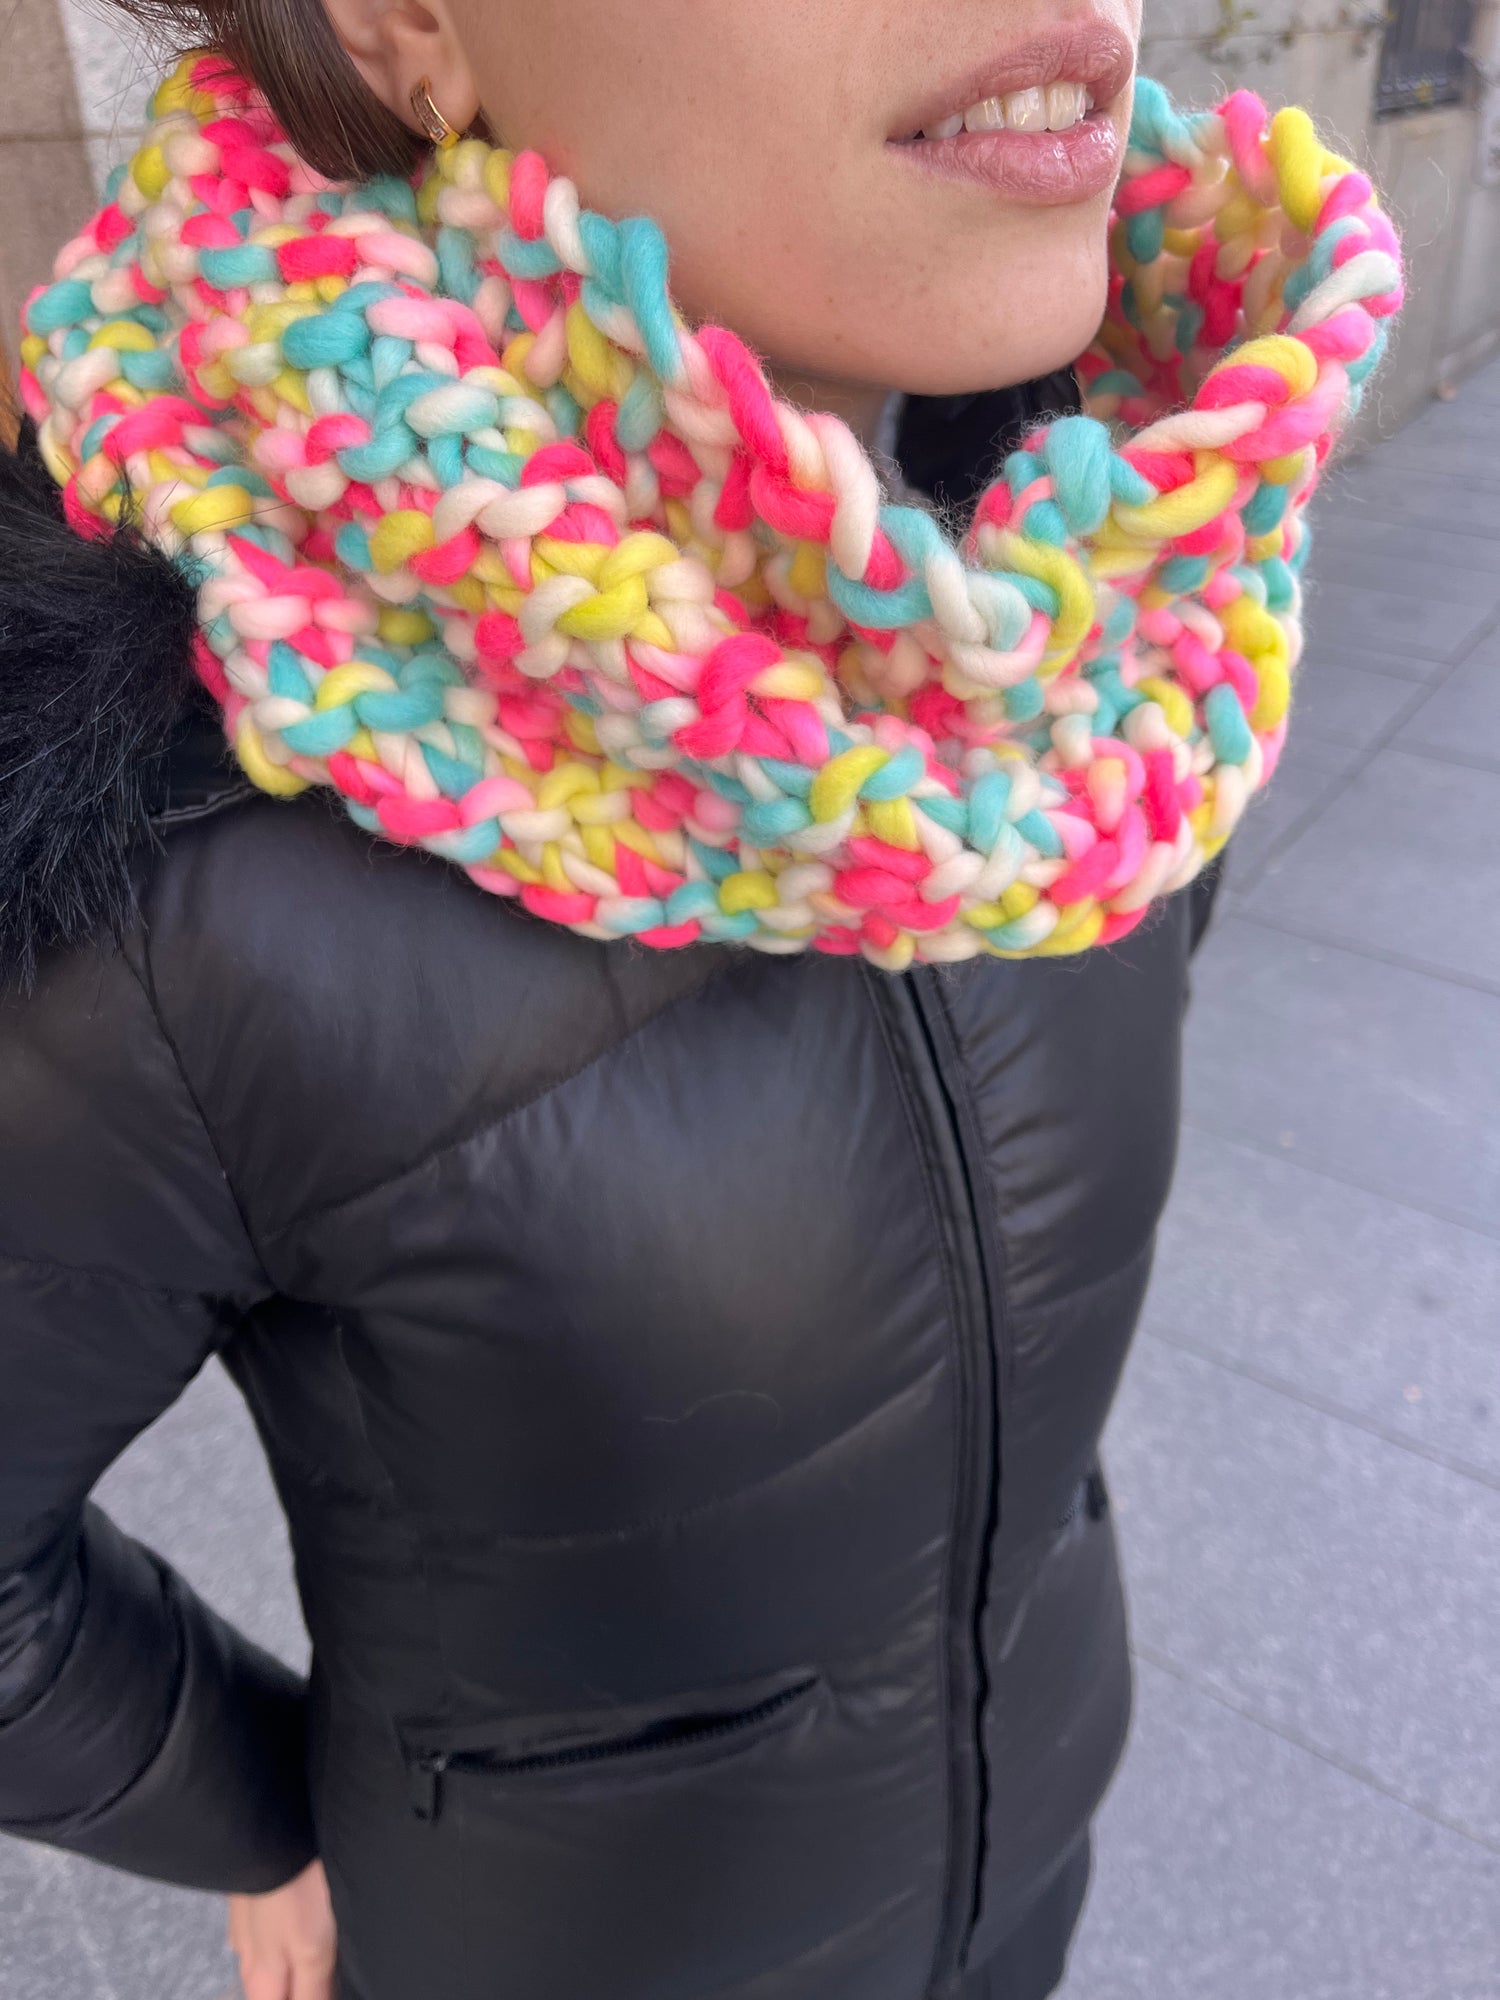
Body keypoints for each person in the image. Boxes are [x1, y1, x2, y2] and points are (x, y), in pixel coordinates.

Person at [0, 2, 1400, 1995]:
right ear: (405, 22)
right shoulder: (184, 858)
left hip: (1029, 1873)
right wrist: (253, 1814)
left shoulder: (1126, 665)